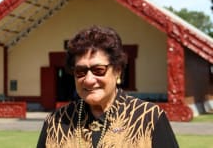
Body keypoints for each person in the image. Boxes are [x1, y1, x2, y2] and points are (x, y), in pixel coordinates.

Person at [37, 25, 179, 148]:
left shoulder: (149, 118)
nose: (89, 80)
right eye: (80, 71)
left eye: (98, 70)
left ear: (117, 71)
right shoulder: (55, 122)